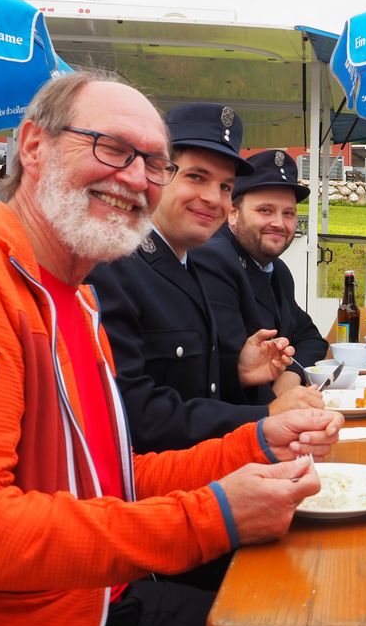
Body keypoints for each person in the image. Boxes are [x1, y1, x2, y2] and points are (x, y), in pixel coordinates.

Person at [0, 71, 344, 626]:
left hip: (90, 604)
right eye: (112, 149)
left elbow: (103, 478)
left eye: (153, 163)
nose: (136, 178)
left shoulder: (74, 296)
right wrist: (214, 516)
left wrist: (254, 440)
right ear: (32, 145)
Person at [88, 103, 318, 455]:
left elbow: (193, 386)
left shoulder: (185, 262)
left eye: (225, 186)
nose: (213, 198)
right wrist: (264, 416)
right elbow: (133, 412)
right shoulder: (114, 265)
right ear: (157, 173)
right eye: (196, 177)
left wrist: (236, 371)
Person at [192, 148, 328, 405]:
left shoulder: (277, 270)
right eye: (265, 210)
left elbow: (311, 338)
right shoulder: (214, 261)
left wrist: (291, 375)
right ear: (232, 214)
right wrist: (277, 402)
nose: (279, 222)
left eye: (288, 213)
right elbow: (228, 374)